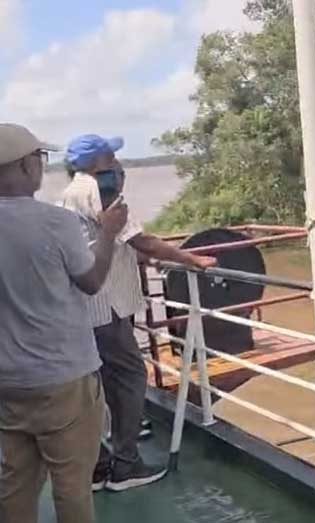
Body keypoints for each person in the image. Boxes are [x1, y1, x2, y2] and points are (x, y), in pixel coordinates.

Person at [59, 135, 217, 492]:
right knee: (130, 375)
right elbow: (138, 239)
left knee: (98, 385)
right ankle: (126, 465)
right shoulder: (98, 191)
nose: (117, 162)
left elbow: (113, 242)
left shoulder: (72, 191)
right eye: (111, 156)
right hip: (105, 307)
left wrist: (140, 255)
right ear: (97, 161)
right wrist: (191, 258)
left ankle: (99, 465)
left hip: (88, 308)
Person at [0, 123, 128, 523]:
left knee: (14, 485)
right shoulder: (54, 222)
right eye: (40, 159)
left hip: (8, 379)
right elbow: (90, 283)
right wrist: (108, 234)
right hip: (64, 376)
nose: (42, 167)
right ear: (23, 166)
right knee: (72, 485)